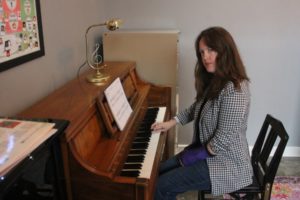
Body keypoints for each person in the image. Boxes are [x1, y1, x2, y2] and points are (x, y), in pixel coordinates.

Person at [151, 27, 253, 200]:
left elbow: (223, 139)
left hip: (226, 163)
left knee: (162, 186)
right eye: (202, 52)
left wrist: (190, 157)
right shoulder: (217, 80)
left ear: (225, 50)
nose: (205, 57)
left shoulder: (235, 89)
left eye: (211, 50)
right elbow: (196, 108)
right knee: (156, 172)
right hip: (206, 153)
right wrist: (171, 122)